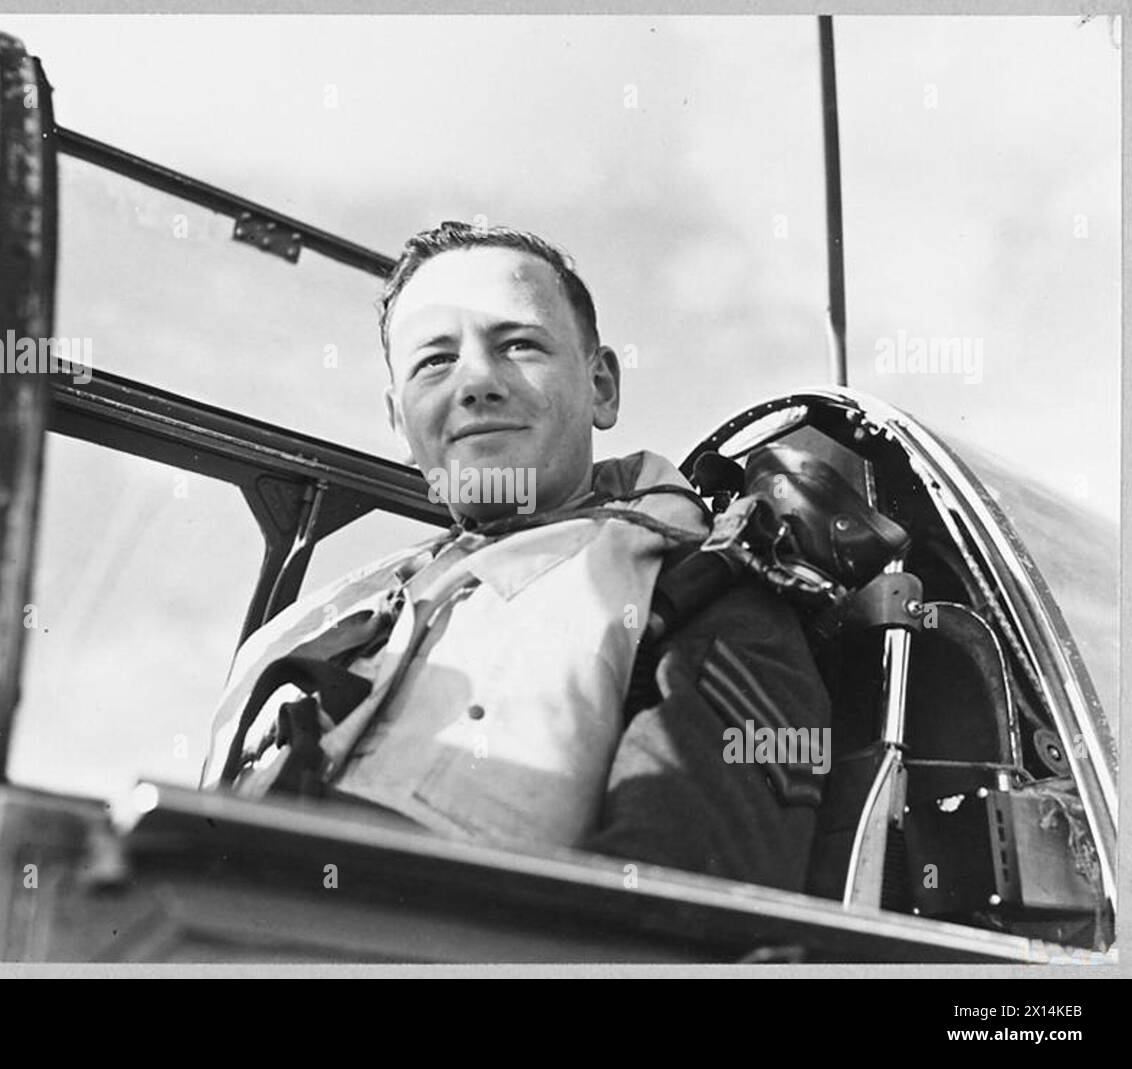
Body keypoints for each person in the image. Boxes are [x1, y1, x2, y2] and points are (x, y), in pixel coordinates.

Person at [201, 222, 831, 892]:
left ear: (603, 387)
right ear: (399, 425)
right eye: (434, 361)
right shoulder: (307, 625)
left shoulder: (695, 591)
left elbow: (673, 930)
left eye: (519, 344)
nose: (476, 384)